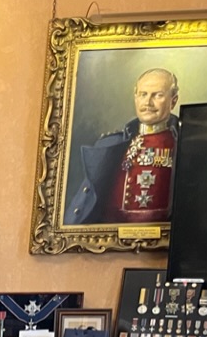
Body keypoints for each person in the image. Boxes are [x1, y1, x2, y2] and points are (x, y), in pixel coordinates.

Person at [67, 68, 180, 226]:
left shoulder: (181, 144)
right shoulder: (112, 144)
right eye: (143, 94)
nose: (148, 102)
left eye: (158, 95)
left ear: (173, 101)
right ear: (135, 97)